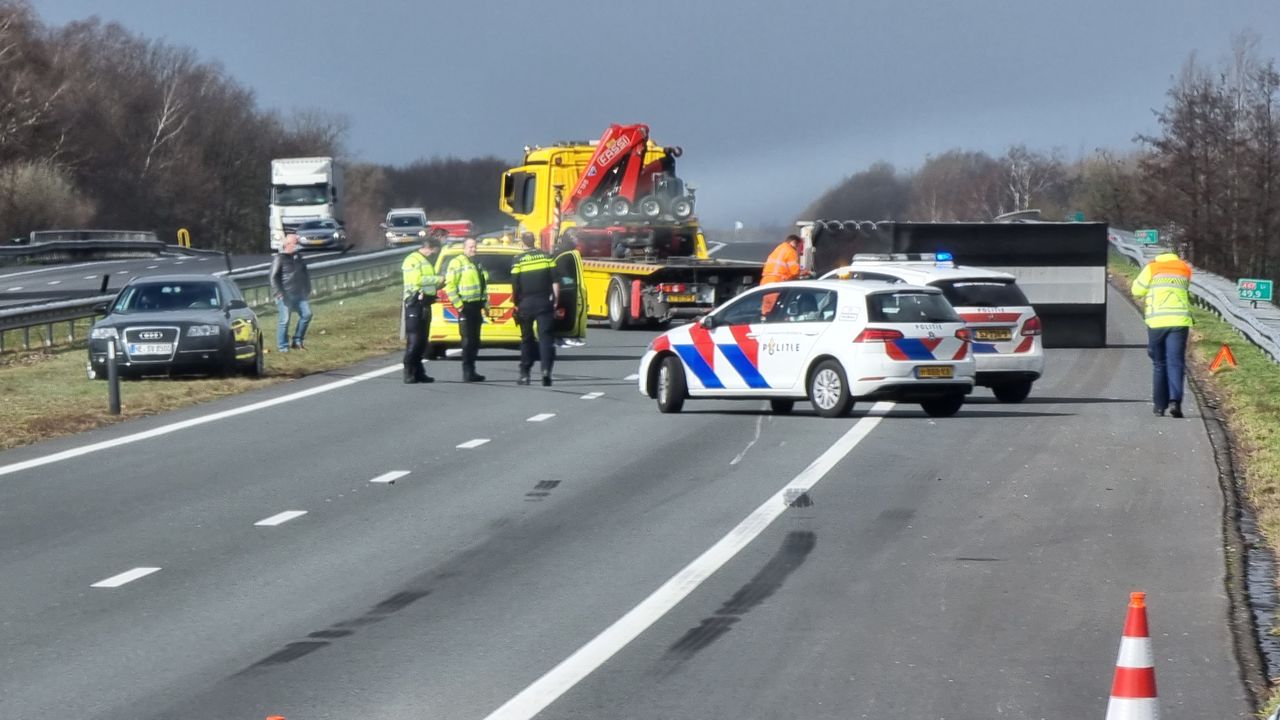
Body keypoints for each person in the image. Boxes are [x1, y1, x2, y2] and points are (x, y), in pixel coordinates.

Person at [1131, 250, 1193, 418]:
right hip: (1179, 321)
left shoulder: (1152, 267)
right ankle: (1175, 402)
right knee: (1176, 362)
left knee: (1159, 364)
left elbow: (1137, 290)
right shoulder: (1185, 268)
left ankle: (1159, 406)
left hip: (1157, 322)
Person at [512, 232, 560, 386]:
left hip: (525, 303)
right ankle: (546, 371)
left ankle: (525, 374)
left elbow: (515, 285)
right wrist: (555, 301)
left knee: (527, 339)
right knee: (546, 338)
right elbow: (555, 282)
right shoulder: (547, 257)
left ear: (523, 243)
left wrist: (516, 304)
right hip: (544, 302)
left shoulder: (518, 261)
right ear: (534, 241)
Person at [445, 237, 489, 382]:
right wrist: (459, 305)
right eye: (470, 247)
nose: (473, 249)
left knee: (476, 341)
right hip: (465, 306)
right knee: (468, 340)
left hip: (477, 306)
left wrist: (485, 305)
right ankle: (467, 372)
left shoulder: (477, 262)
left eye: (475, 246)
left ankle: (472, 370)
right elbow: (449, 285)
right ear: (464, 248)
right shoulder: (456, 262)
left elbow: (483, 286)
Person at [401, 235, 443, 384]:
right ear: (427, 248)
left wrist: (436, 290)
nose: (434, 254)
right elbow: (417, 280)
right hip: (414, 304)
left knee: (423, 340)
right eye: (434, 251)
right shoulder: (412, 260)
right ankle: (409, 370)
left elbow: (427, 284)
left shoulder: (426, 261)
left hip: (425, 303)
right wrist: (439, 279)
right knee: (414, 339)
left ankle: (419, 372)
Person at [269, 233, 313, 352]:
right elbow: (273, 277)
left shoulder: (298, 257)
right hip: (285, 294)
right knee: (285, 320)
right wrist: (279, 293)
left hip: (300, 293)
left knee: (307, 314)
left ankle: (297, 341)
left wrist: (308, 288)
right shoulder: (279, 258)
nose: (297, 246)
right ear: (288, 245)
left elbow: (305, 273)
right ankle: (283, 346)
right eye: (295, 243)